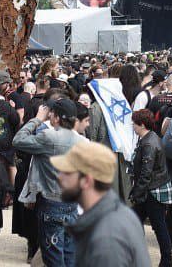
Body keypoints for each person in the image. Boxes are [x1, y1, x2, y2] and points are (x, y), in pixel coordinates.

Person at [52, 141, 150, 267]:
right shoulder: (117, 214)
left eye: (67, 172)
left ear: (87, 181)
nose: (59, 177)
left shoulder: (106, 240)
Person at [13, 97, 82, 267]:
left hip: (52, 203)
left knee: (53, 257)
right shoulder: (81, 141)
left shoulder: (49, 136)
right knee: (69, 255)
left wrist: (36, 119)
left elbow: (18, 140)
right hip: (72, 204)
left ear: (56, 117)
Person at [129, 109, 172, 267]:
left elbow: (146, 173)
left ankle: (166, 260)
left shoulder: (148, 143)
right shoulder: (150, 138)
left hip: (151, 191)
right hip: (153, 189)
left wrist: (136, 193)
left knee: (158, 226)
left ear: (141, 124)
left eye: (134, 123)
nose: (132, 126)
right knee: (148, 224)